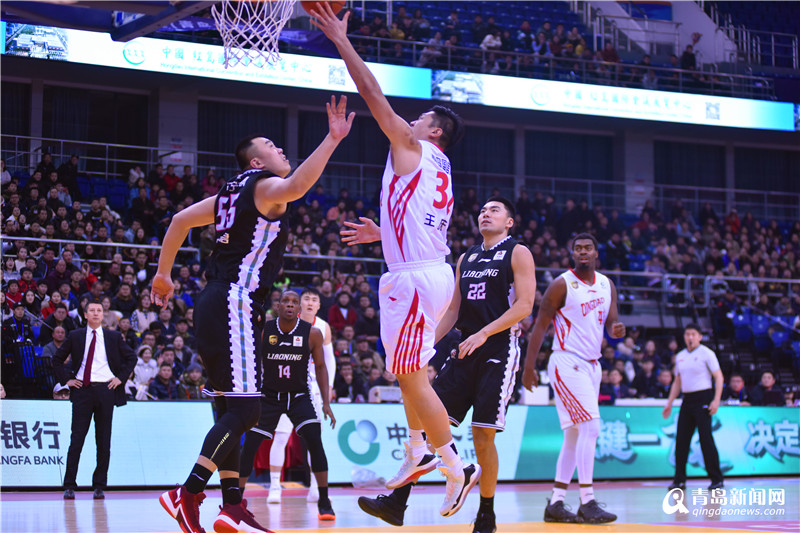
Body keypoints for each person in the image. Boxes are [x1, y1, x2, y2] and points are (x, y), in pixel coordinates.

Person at [152, 96, 353, 533]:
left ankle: (231, 506)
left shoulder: (228, 194)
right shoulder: (264, 186)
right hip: (235, 304)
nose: (280, 149)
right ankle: (186, 492)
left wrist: (164, 274)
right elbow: (298, 185)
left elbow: (179, 220)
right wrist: (333, 139)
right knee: (246, 412)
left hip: (212, 301)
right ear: (257, 162)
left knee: (229, 406)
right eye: (272, 146)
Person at [312, 5, 479, 518]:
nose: (411, 120)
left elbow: (371, 94)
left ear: (433, 132)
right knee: (410, 373)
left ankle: (454, 465)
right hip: (426, 272)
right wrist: (383, 233)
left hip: (414, 281)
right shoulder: (438, 167)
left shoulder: (412, 146)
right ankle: (415, 449)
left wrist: (341, 40)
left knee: (412, 376)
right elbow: (423, 226)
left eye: (421, 119)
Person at [358, 197, 536, 533]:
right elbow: (453, 310)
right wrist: (421, 348)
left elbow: (525, 305)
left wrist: (484, 333)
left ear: (510, 222)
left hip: (498, 348)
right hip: (465, 346)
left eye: (494, 210)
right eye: (482, 210)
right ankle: (397, 503)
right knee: (428, 426)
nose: (485, 214)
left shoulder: (518, 252)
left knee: (482, 435)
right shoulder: (467, 258)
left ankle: (486, 514)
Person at [522, 233, 625, 524]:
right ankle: (587, 500)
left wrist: (617, 330)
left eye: (588, 248)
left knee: (574, 435)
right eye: (578, 248)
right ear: (572, 254)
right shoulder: (561, 284)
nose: (583, 252)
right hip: (567, 361)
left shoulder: (607, 284)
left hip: (592, 365)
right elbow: (540, 326)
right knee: (591, 427)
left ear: (596, 253)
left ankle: (556, 503)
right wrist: (528, 367)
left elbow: (611, 323)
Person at [238, 291, 337, 520]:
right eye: (286, 302)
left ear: (299, 309)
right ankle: (236, 500)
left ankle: (323, 500)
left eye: (294, 302)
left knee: (315, 441)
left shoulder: (312, 333)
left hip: (300, 396)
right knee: (250, 445)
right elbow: (251, 362)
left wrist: (326, 402)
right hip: (269, 397)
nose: (290, 305)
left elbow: (321, 367)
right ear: (278, 306)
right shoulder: (265, 331)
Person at [51, 300, 137, 500]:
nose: (96, 313)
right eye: (92, 310)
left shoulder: (113, 336)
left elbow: (132, 357)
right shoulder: (75, 335)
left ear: (103, 314)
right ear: (85, 314)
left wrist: (120, 378)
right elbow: (56, 360)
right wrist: (67, 380)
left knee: (103, 440)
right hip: (82, 390)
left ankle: (99, 485)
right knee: (77, 439)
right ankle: (69, 485)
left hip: (106, 389)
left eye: (99, 310)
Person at [264, 287, 336, 504]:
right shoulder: (279, 325)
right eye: (306, 299)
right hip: (285, 385)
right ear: (298, 303)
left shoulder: (322, 327)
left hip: (312, 388)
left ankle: (315, 487)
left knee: (314, 438)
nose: (310, 302)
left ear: (319, 305)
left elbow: (329, 361)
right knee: (281, 437)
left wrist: (328, 388)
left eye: (314, 299)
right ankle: (274, 487)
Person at [662, 323, 724, 491]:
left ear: (699, 336)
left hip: (704, 397)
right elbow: (677, 381)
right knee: (681, 440)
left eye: (693, 334)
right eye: (687, 334)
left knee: (705, 439)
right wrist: (669, 403)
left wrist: (716, 400)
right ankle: (679, 480)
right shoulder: (680, 356)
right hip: (687, 399)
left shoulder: (707, 353)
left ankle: (716, 479)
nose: (690, 337)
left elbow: (719, 377)